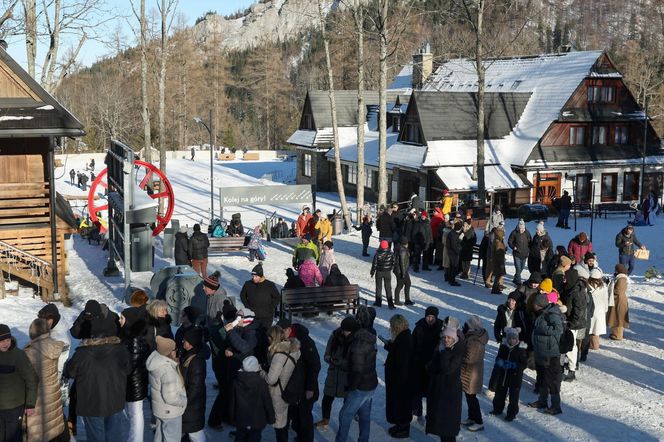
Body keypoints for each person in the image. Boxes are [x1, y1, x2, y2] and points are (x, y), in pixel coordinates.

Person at [63, 312, 131, 441]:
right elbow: (128, 369)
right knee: (114, 436)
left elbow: (69, 372)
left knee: (95, 438)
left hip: (91, 404)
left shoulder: (82, 353)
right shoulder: (120, 350)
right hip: (114, 401)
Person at [207, 301, 258, 429]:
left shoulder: (250, 332)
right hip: (228, 366)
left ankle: (227, 418)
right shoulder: (238, 328)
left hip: (239, 368)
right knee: (226, 393)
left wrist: (230, 337)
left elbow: (244, 346)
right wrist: (229, 348)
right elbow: (231, 343)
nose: (237, 319)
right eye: (236, 317)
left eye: (239, 317)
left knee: (231, 394)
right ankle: (218, 419)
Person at [335, 311, 378, 442]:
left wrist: (351, 387)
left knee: (344, 415)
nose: (343, 333)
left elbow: (357, 370)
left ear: (350, 331)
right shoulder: (365, 338)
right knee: (364, 415)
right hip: (370, 384)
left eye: (345, 331)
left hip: (361, 387)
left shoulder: (357, 345)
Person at [277, 319, 320, 442]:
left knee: (304, 418)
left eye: (282, 332)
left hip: (306, 387)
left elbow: (315, 365)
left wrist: (310, 388)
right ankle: (300, 436)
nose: (280, 336)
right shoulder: (283, 340)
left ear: (289, 329)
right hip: (293, 387)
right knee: (295, 416)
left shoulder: (305, 342)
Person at [21, 319, 65, 442]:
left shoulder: (29, 352)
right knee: (51, 427)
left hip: (37, 398)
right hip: (52, 393)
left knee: (36, 432)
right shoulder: (53, 346)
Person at [261, 326, 300, 442]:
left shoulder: (278, 356)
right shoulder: (294, 350)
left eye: (268, 338)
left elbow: (271, 379)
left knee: (280, 425)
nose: (267, 340)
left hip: (278, 392)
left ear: (273, 338)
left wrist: (260, 371)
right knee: (283, 420)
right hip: (289, 389)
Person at [315, 318, 356, 429]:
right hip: (333, 374)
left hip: (346, 376)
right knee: (327, 398)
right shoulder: (335, 336)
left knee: (348, 400)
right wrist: (331, 360)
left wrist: (343, 363)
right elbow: (326, 354)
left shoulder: (356, 340)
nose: (343, 332)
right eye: (342, 330)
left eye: (346, 330)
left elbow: (356, 361)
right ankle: (325, 419)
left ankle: (349, 417)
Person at [426, 326, 464, 442]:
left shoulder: (457, 351)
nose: (446, 340)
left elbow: (447, 369)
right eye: (444, 337)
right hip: (439, 390)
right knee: (440, 424)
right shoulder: (440, 348)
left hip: (450, 393)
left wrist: (445, 352)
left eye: (449, 337)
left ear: (454, 339)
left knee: (448, 427)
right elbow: (433, 366)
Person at [527, 294, 564, 415]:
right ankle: (542, 401)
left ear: (539, 305)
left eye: (534, 304)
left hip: (550, 353)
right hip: (541, 351)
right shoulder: (540, 314)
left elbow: (559, 329)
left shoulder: (552, 314)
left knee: (552, 380)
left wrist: (543, 328)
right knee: (542, 377)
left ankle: (555, 405)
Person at [146, 336, 188, 442]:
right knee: (172, 438)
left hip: (160, 410)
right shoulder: (167, 370)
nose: (176, 351)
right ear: (168, 352)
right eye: (174, 349)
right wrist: (184, 401)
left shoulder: (156, 362)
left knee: (159, 437)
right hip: (170, 412)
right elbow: (171, 397)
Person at [120, 307, 151, 442]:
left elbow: (129, 365)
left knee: (135, 415)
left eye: (122, 318)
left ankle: (136, 439)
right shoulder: (132, 335)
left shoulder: (133, 340)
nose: (120, 320)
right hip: (136, 382)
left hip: (134, 384)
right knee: (135, 414)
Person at [229, 356, 275, 442]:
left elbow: (232, 402)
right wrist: (271, 417)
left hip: (241, 419)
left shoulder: (236, 382)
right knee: (255, 438)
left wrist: (232, 418)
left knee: (240, 437)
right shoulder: (261, 383)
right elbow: (267, 401)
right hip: (257, 421)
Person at [383, 315, 413, 438]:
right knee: (399, 404)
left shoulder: (404, 339)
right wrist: (390, 346)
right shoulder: (404, 337)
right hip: (400, 379)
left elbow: (402, 361)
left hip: (401, 380)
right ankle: (400, 425)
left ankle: (403, 428)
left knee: (402, 405)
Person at [411, 307, 443, 420]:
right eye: (428, 316)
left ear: (436, 317)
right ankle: (416, 410)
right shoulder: (419, 327)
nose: (429, 319)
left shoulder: (441, 328)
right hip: (419, 363)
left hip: (434, 364)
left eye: (432, 317)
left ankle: (432, 414)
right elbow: (413, 344)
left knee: (432, 391)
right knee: (417, 388)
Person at [490, 327, 527, 421]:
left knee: (513, 397)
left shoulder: (520, 349)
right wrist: (500, 362)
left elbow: (524, 363)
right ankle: (497, 409)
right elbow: (498, 357)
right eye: (510, 338)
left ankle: (511, 414)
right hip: (503, 376)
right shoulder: (503, 347)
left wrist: (514, 365)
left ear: (517, 339)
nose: (512, 340)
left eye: (514, 338)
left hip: (515, 378)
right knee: (499, 394)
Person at [460, 316, 488, 432]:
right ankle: (471, 418)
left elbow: (469, 359)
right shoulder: (474, 336)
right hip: (470, 374)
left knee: (472, 398)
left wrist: (458, 356)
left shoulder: (474, 341)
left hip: (472, 375)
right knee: (469, 397)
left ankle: (479, 421)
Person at [180, 328, 208, 442]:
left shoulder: (196, 361)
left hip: (191, 406)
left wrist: (183, 402)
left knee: (195, 433)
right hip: (189, 405)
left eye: (185, 340)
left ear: (191, 343)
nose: (182, 342)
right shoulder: (189, 355)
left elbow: (195, 387)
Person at [561, 268, 587, 382]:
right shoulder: (571, 288)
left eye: (565, 278)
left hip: (572, 325)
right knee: (567, 347)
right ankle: (565, 367)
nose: (563, 280)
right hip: (568, 322)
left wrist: (571, 324)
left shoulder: (577, 292)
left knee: (571, 348)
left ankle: (572, 371)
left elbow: (579, 312)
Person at [240, 264, 280, 329]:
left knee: (264, 334)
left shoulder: (269, 285)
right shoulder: (248, 284)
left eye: (256, 276)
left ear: (261, 276)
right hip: (252, 314)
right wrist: (247, 306)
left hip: (266, 315)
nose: (254, 278)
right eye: (253, 276)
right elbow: (242, 295)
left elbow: (277, 297)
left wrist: (271, 307)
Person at [587, 268, 609, 350]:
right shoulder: (603, 286)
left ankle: (588, 345)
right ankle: (595, 345)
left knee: (589, 328)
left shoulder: (587, 285)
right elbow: (605, 298)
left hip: (590, 309)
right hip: (600, 310)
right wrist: (605, 309)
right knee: (596, 330)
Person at [607, 263, 630, 340]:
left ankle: (617, 335)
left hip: (619, 300)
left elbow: (619, 290)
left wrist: (611, 291)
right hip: (618, 299)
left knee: (618, 318)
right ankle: (616, 333)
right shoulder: (620, 277)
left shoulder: (621, 279)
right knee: (617, 317)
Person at [370, 239, 395, 309]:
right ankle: (390, 304)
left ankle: (378, 302)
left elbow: (374, 264)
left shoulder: (377, 253)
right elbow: (393, 262)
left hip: (379, 272)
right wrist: (390, 268)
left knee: (378, 287)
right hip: (387, 273)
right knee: (388, 288)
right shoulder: (391, 253)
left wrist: (372, 272)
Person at [508, 220, 531, 286]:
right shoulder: (514, 232)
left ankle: (516, 278)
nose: (522, 230)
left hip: (524, 254)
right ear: (518, 227)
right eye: (520, 228)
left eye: (523, 229)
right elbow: (510, 241)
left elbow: (530, 241)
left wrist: (528, 249)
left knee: (522, 267)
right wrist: (513, 247)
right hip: (517, 254)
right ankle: (518, 282)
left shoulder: (527, 232)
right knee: (518, 268)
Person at [393, 237, 413, 305]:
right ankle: (397, 300)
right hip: (401, 271)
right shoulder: (403, 250)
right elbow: (402, 263)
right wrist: (403, 274)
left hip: (401, 270)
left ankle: (407, 300)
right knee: (400, 285)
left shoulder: (399, 248)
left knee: (408, 283)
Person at [491, 226, 507, 294]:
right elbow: (499, 255)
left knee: (498, 275)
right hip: (499, 262)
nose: (503, 237)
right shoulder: (499, 243)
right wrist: (501, 264)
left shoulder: (497, 241)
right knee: (498, 275)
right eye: (503, 235)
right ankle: (495, 288)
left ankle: (496, 287)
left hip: (496, 262)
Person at [446, 221, 463, 286]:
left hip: (452, 252)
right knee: (454, 266)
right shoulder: (453, 234)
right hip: (453, 253)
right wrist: (460, 239)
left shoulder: (453, 233)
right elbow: (454, 245)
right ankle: (452, 280)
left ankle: (451, 279)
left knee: (452, 266)